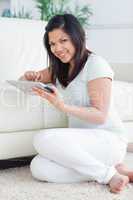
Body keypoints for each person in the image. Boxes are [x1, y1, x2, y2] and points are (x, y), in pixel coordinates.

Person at [20, 14, 133, 193]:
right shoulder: (58, 68)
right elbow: (25, 85)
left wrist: (62, 106)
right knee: (38, 166)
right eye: (52, 44)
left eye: (63, 40)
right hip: (81, 143)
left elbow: (100, 115)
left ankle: (108, 176)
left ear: (77, 37)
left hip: (108, 140)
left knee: (42, 138)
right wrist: (28, 77)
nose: (57, 48)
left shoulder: (96, 64)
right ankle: (112, 170)